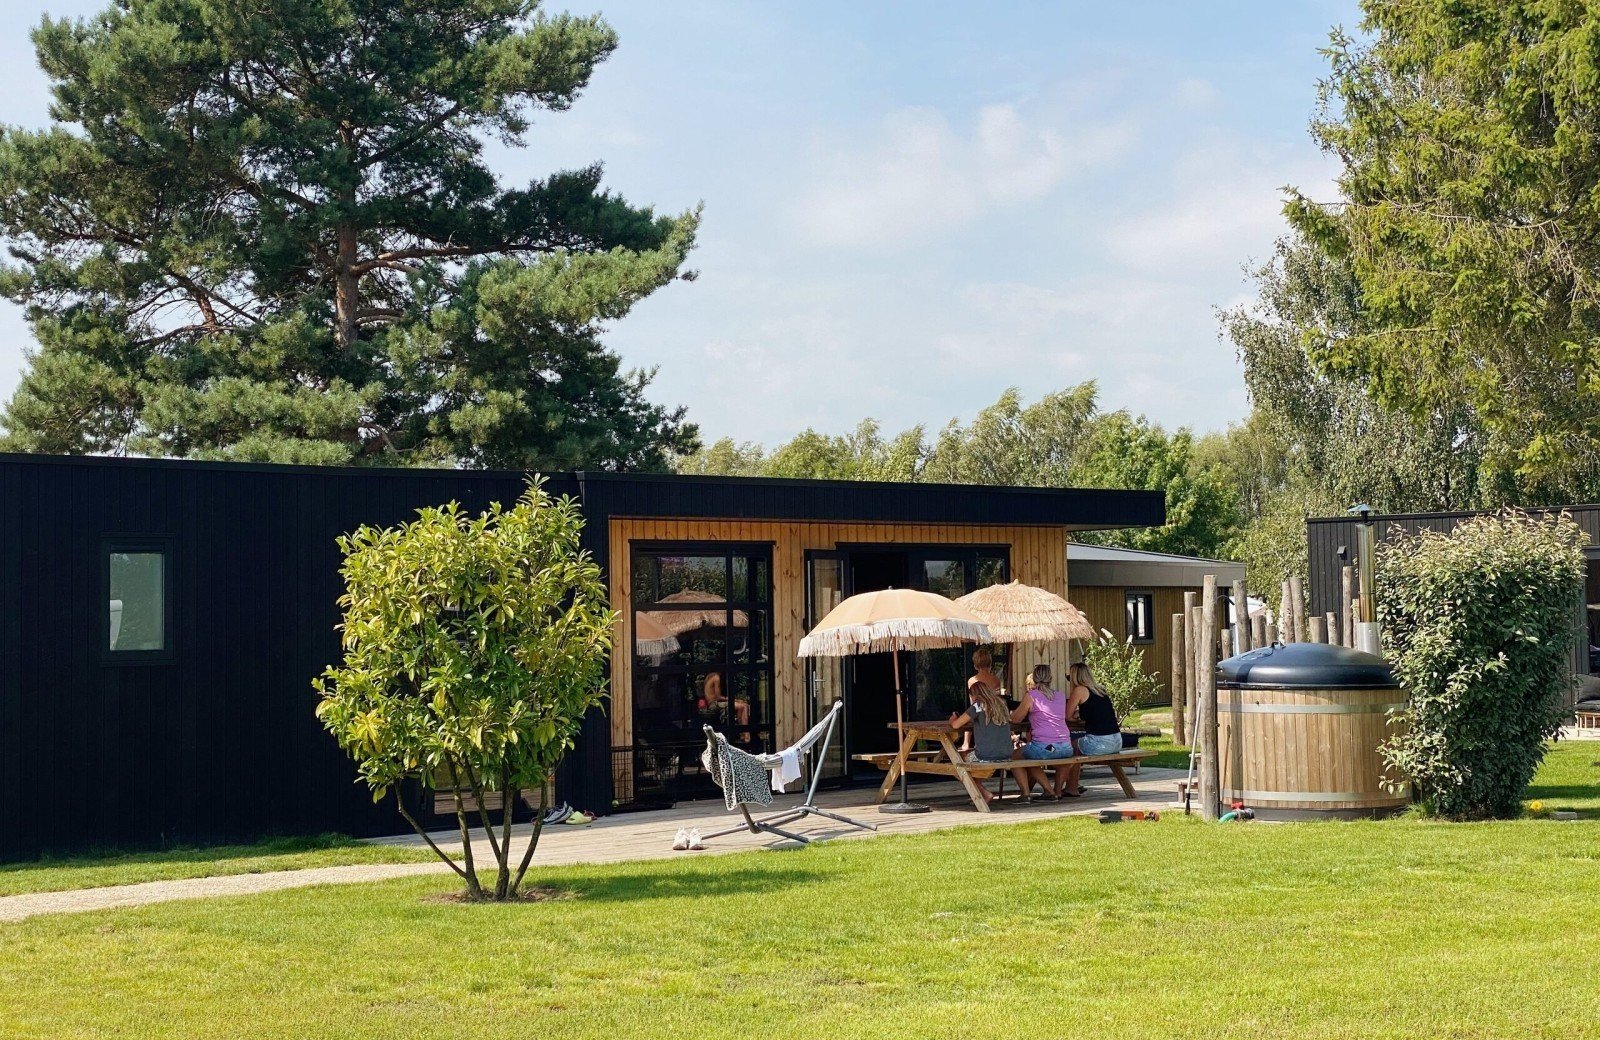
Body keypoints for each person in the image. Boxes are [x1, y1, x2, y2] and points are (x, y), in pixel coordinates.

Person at [948, 676, 1031, 805]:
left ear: (973, 695)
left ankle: (983, 793)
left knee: (957, 762)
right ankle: (980, 793)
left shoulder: (978, 705)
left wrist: (952, 718)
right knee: (970, 759)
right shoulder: (1001, 704)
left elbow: (956, 725)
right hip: (1007, 753)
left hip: (986, 755)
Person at [1012, 664, 1077, 798]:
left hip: (1046, 747)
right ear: (1051, 678)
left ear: (1034, 679)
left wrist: (1011, 713)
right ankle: (1058, 791)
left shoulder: (1031, 696)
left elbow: (1016, 719)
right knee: (1060, 757)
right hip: (1065, 746)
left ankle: (1037, 792)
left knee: (1016, 757)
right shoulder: (1060, 696)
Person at [1070, 661, 1124, 759]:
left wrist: (1077, 719)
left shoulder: (1079, 690)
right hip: (1117, 741)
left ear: (1074, 677)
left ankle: (1068, 775)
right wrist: (1081, 714)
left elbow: (1067, 716)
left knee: (1070, 745)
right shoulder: (1100, 690)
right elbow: (1097, 711)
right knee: (1079, 742)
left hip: (1101, 743)